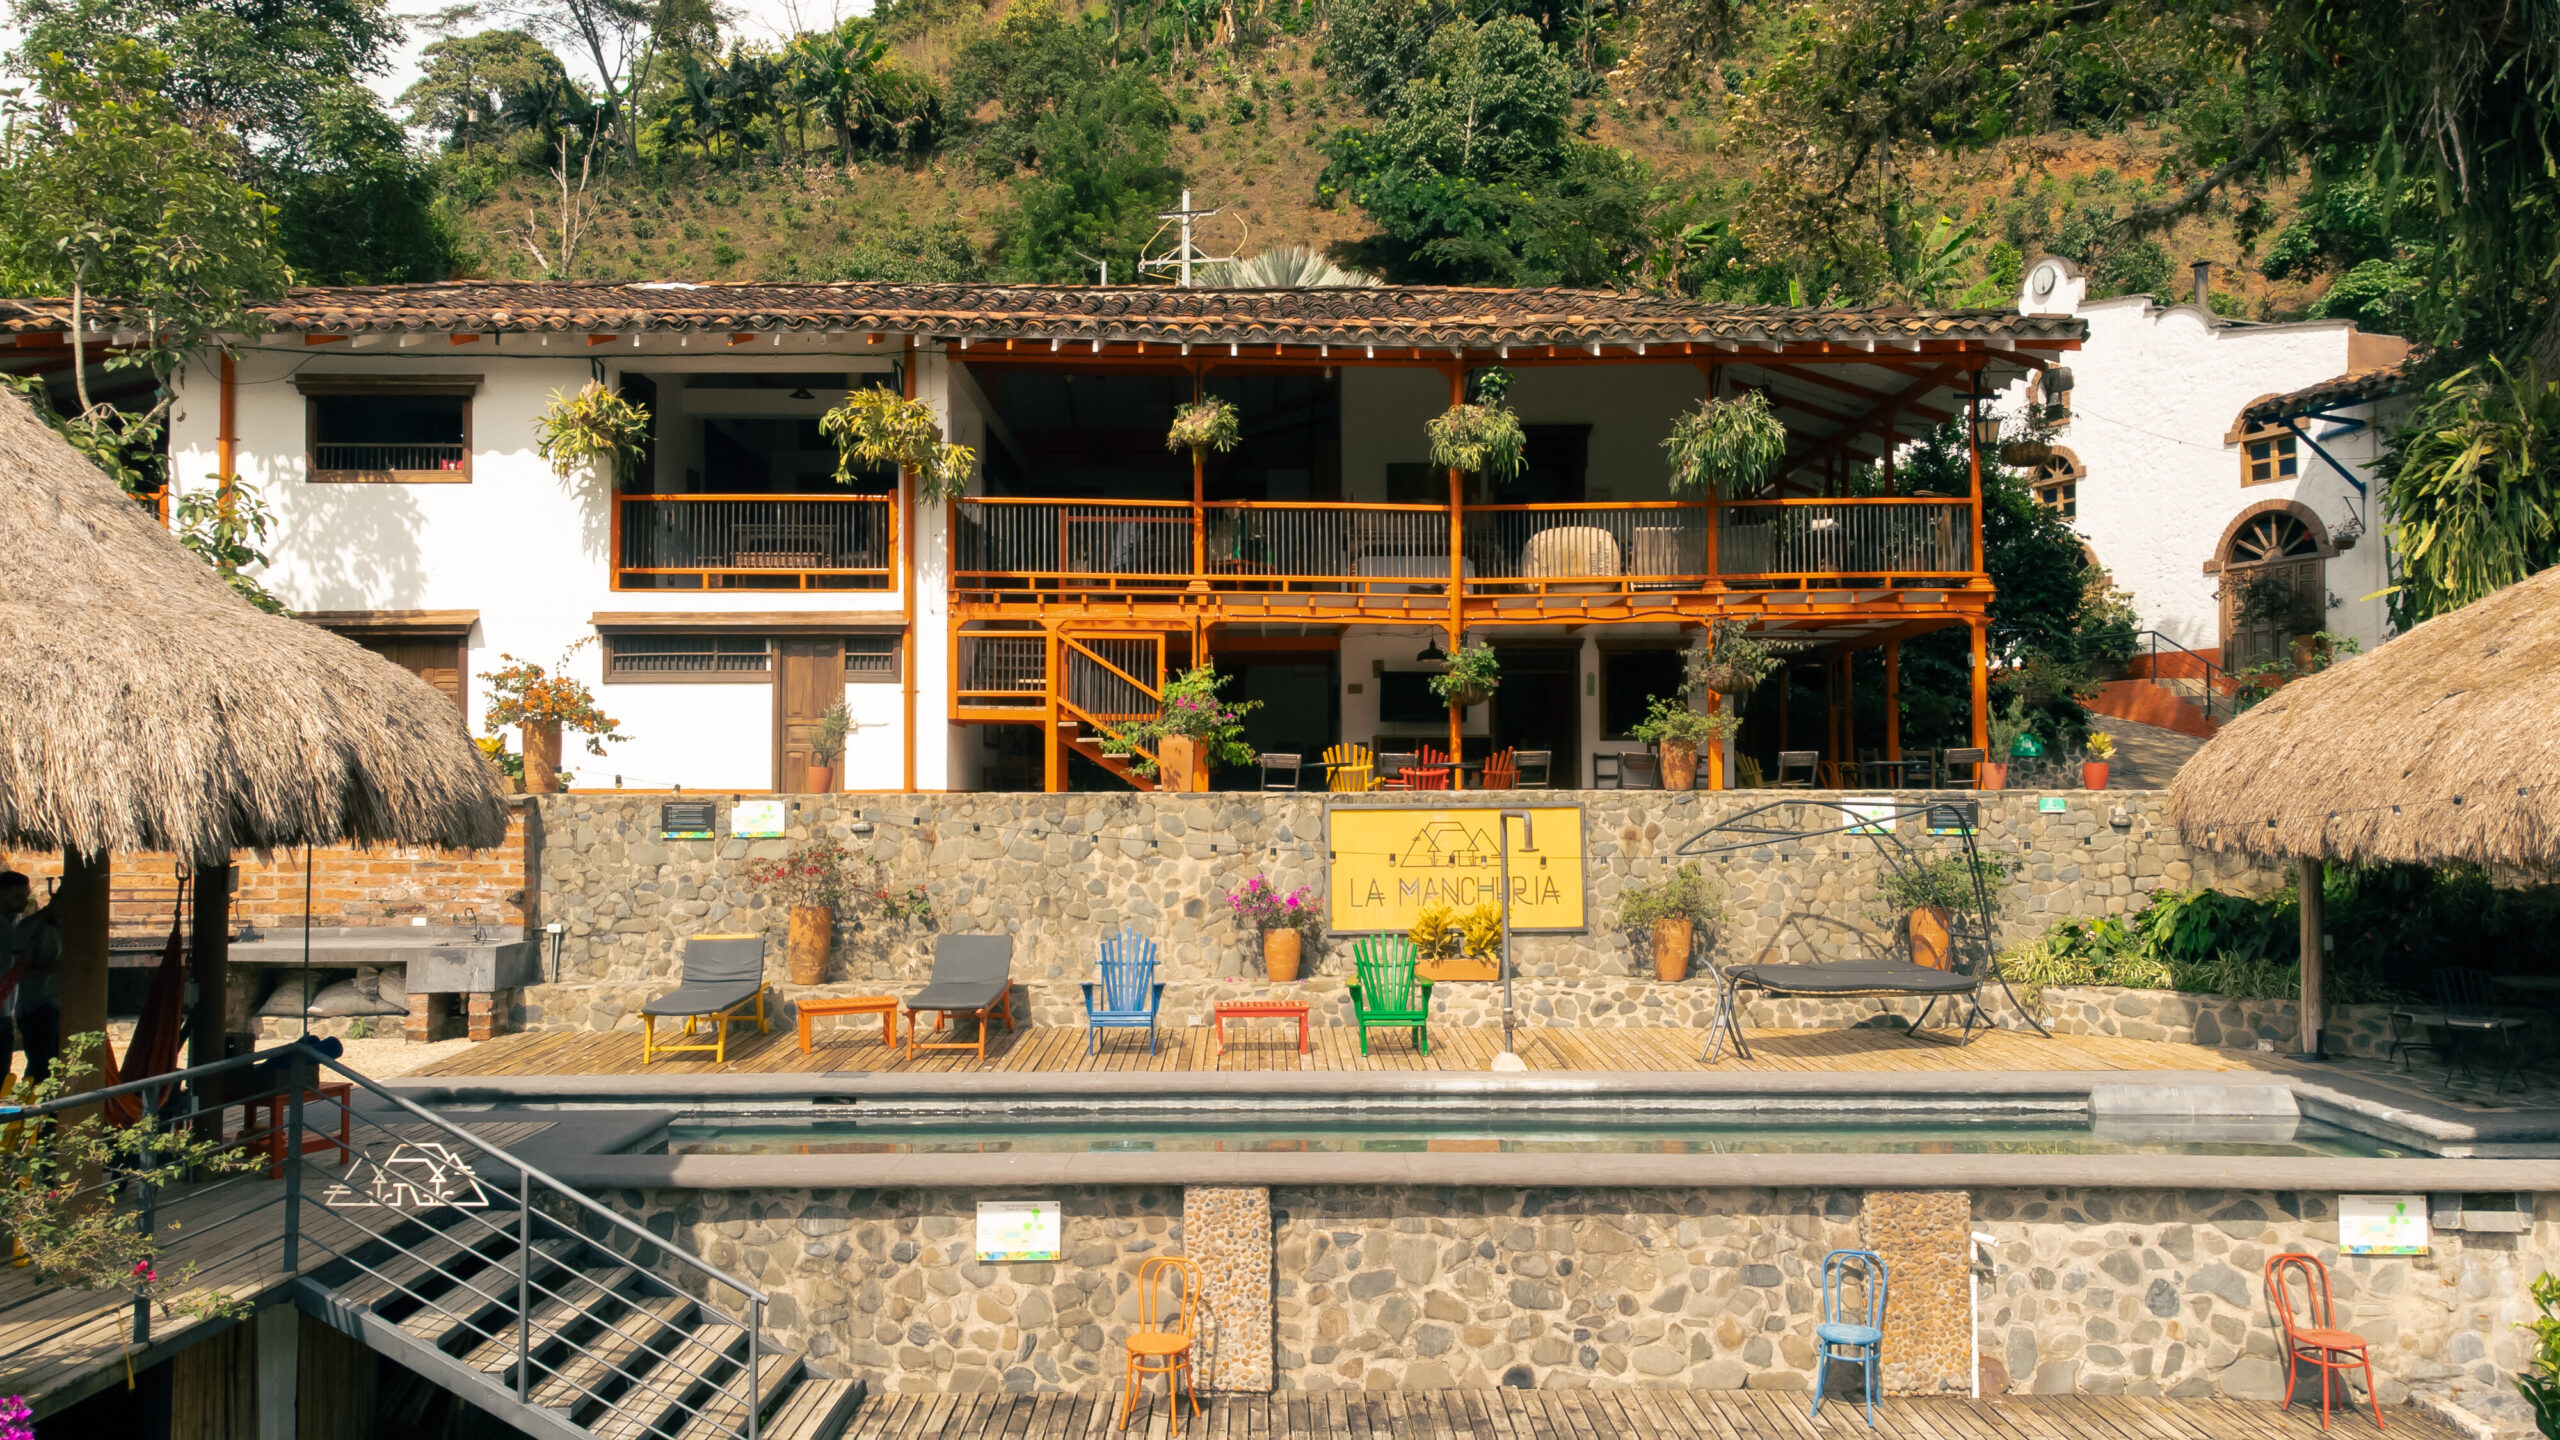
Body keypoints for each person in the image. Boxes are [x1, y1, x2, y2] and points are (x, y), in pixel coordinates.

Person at [0, 871, 62, 1087]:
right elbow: (16, 970)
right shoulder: (14, 927)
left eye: (25, 896)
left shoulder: (17, 922)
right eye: (17, 897)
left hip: (9, 1010)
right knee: (40, 1068)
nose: (24, 902)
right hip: (26, 1006)